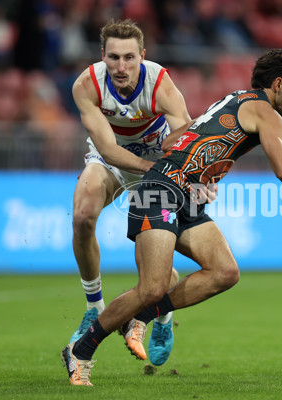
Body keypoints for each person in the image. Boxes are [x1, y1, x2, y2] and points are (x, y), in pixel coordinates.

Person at [61, 48, 282, 386]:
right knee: (152, 286)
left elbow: (176, 138)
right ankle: (81, 350)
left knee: (225, 272)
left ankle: (140, 316)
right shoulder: (267, 113)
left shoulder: (235, 98)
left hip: (186, 195)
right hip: (161, 191)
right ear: (279, 83)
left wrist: (198, 170)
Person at [68, 18, 196, 368]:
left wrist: (185, 172)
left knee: (157, 264)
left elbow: (186, 133)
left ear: (143, 55)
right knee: (81, 216)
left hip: (157, 161)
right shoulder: (87, 85)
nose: (121, 67)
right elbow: (108, 150)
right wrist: (148, 167)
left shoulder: (161, 84)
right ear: (102, 56)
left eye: (128, 57)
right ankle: (95, 308)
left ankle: (162, 318)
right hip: (113, 158)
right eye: (113, 58)